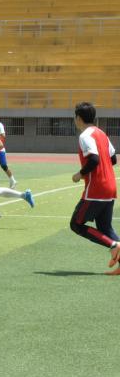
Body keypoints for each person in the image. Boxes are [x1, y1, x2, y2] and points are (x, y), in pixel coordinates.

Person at [68, 101, 120, 271]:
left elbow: (94, 159)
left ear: (78, 118)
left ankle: (114, 245)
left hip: (96, 189)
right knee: (105, 228)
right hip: (110, 187)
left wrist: (79, 174)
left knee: (76, 224)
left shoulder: (85, 136)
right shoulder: (102, 134)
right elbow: (113, 159)